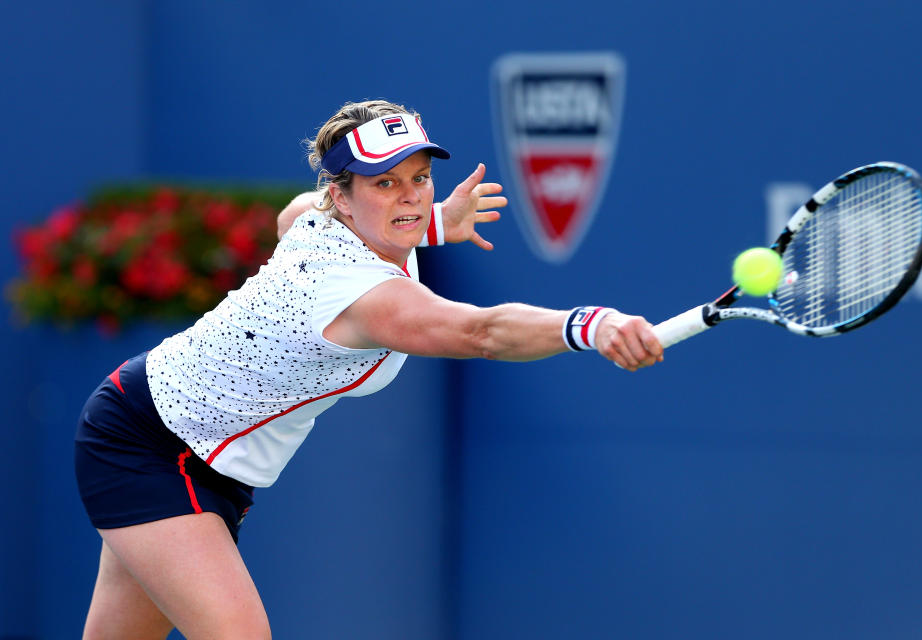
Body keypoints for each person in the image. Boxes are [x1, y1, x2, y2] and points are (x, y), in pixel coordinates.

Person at [75, 99, 663, 639]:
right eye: (385, 184)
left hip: (197, 447)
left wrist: (427, 225)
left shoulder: (320, 218)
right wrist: (595, 324)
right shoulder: (358, 293)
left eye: (419, 179)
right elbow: (482, 332)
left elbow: (291, 212)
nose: (410, 195)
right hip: (149, 443)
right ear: (342, 195)